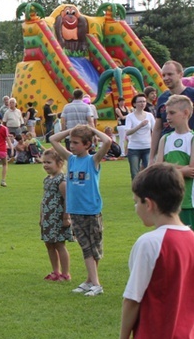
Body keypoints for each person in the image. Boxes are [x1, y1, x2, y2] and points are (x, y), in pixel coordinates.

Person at [121, 164, 194, 339]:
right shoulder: (192, 240)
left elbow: (132, 299)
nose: (135, 207)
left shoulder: (150, 243)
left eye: (136, 202)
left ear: (148, 203)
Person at [49, 124, 112, 296]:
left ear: (87, 145)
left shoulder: (93, 160)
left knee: (94, 248)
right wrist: (70, 131)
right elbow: (53, 139)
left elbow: (107, 141)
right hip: (75, 210)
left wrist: (91, 129)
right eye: (71, 142)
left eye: (76, 142)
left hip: (91, 210)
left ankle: (94, 283)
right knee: (86, 247)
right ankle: (91, 282)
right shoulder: (71, 159)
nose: (72, 145)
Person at [154, 94, 194, 228]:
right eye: (166, 113)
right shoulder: (165, 139)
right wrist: (183, 170)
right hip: (167, 200)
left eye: (172, 113)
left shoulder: (192, 138)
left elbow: (192, 170)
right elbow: (158, 169)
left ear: (185, 113)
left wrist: (166, 167)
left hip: (188, 201)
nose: (168, 117)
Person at [40, 149, 73, 282]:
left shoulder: (62, 180)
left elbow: (67, 200)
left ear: (59, 163)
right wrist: (41, 216)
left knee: (59, 244)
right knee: (49, 244)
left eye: (49, 162)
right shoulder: (47, 179)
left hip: (58, 217)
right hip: (48, 217)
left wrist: (66, 217)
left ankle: (65, 273)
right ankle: (55, 271)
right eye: (44, 162)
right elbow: (44, 199)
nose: (46, 165)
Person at [151, 60, 194, 160]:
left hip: (189, 147)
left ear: (180, 74)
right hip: (168, 149)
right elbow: (157, 128)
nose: (166, 78)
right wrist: (151, 157)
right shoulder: (162, 98)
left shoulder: (192, 94)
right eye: (164, 75)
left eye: (170, 74)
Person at [125, 93, 156, 180]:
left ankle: (148, 191)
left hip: (148, 147)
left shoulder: (149, 115)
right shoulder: (130, 117)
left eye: (144, 101)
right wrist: (140, 126)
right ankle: (137, 192)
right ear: (134, 104)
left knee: (149, 171)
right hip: (134, 148)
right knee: (135, 173)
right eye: (140, 102)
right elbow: (127, 132)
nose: (142, 103)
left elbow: (155, 129)